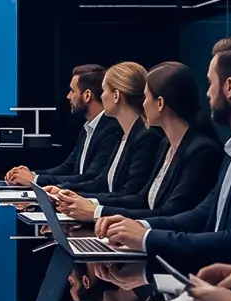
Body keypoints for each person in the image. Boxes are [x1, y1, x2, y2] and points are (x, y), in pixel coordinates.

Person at [99, 37, 231, 266]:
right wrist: (139, 227)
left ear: (230, 87)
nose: (208, 94)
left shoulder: (220, 152)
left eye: (211, 83)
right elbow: (203, 213)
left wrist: (145, 237)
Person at [58, 62, 223, 222]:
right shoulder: (166, 144)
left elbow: (172, 212)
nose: (142, 104)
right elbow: (141, 199)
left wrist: (96, 211)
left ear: (160, 103)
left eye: (145, 97)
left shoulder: (201, 151)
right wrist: (87, 202)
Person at [45, 62, 160, 199]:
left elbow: (131, 194)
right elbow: (102, 181)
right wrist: (62, 191)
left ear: (116, 96)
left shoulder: (144, 137)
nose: (102, 96)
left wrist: (91, 206)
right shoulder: (124, 134)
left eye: (104, 90)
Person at [5, 64, 121, 187]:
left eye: (72, 91)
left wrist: (35, 179)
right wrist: (29, 175)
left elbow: (91, 177)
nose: (68, 96)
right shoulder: (88, 127)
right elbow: (68, 168)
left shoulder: (111, 129)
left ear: (87, 95)